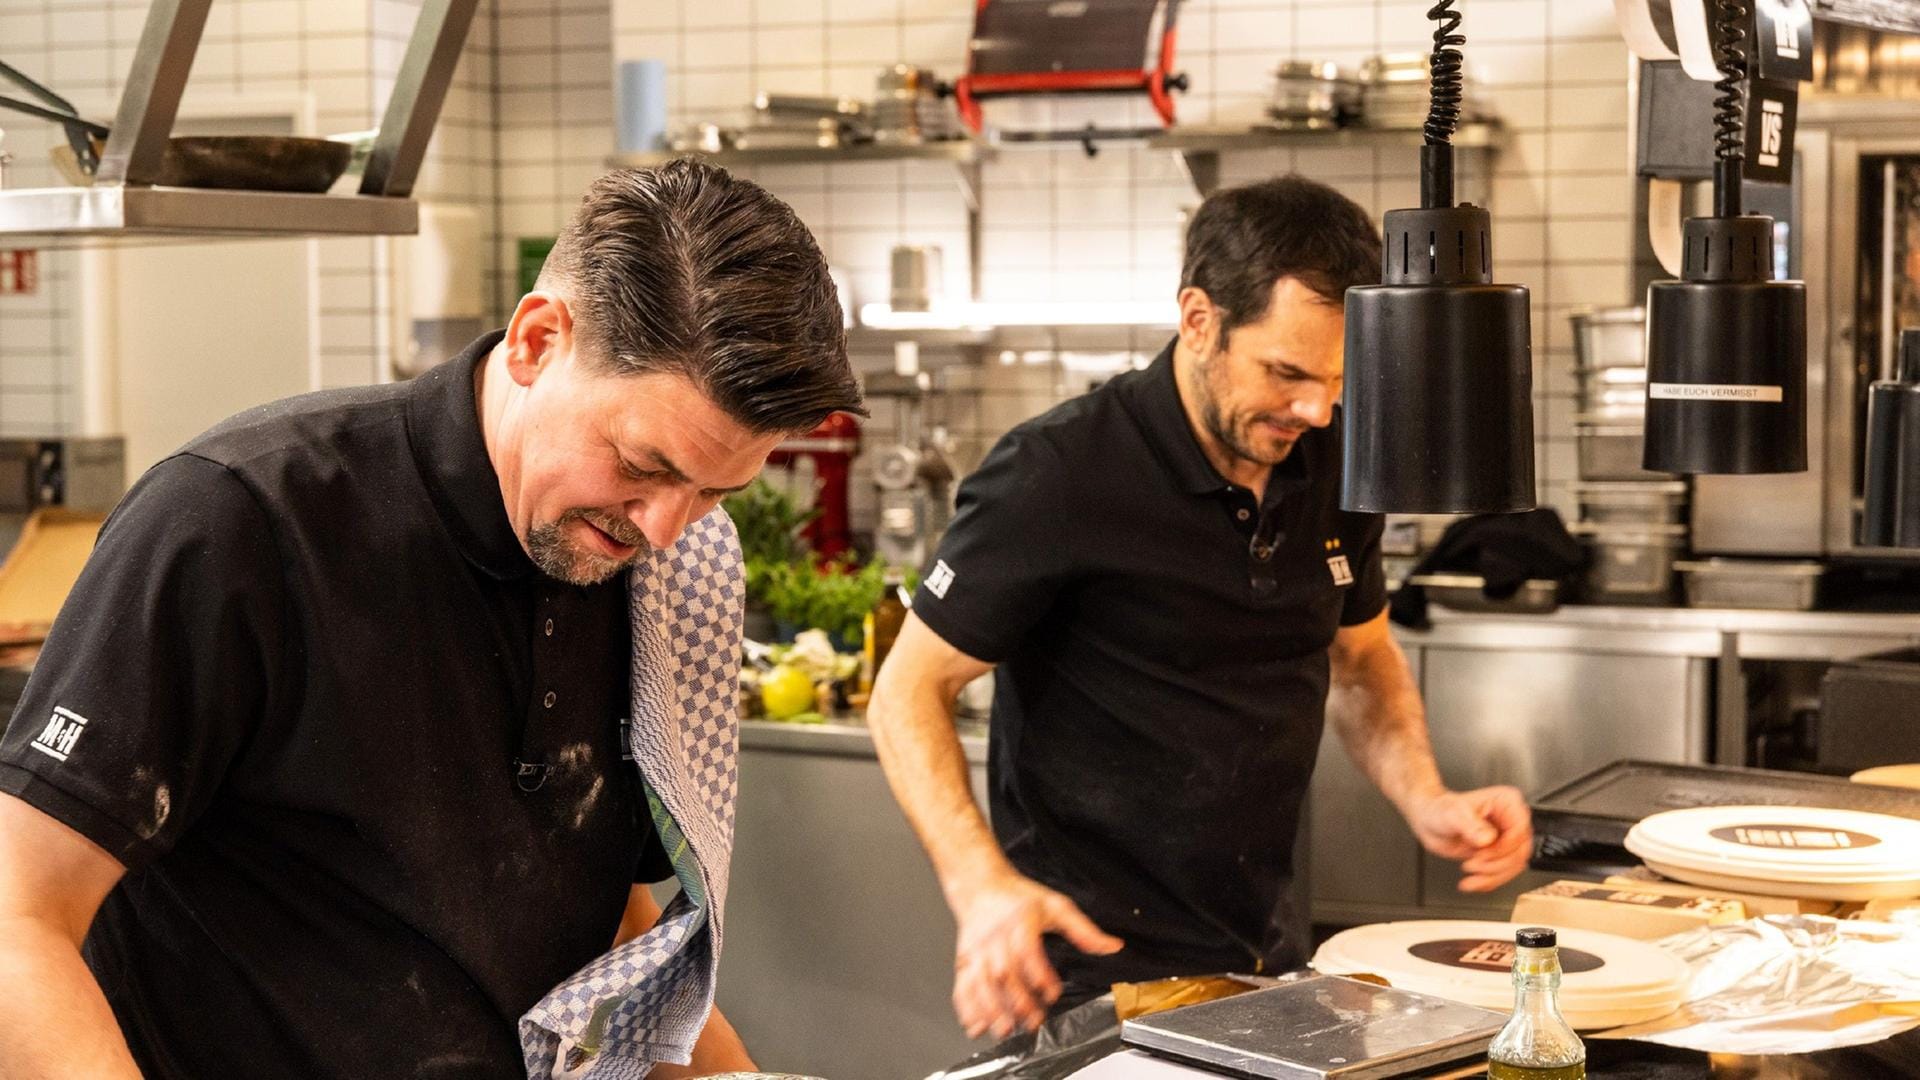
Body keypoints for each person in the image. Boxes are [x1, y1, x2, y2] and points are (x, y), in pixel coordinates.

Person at [0, 161, 861, 1079]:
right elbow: (19, 916)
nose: (661, 528)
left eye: (712, 492)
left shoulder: (668, 574)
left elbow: (598, 919)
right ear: (536, 342)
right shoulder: (243, 521)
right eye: (641, 464)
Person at [866, 176, 1535, 1040]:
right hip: (1090, 985)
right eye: (1286, 373)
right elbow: (907, 690)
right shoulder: (1056, 474)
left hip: (1268, 966)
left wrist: (1425, 796)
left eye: (1337, 379)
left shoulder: (1334, 460)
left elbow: (1360, 660)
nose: (1316, 408)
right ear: (1198, 319)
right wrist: (978, 884)